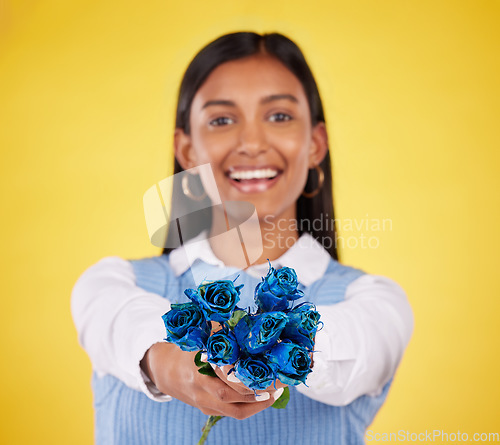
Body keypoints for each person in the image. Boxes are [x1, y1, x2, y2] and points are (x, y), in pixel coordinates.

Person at [71, 31, 414, 445]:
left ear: (315, 145)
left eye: (280, 116)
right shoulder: (111, 284)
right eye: (221, 120)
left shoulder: (376, 302)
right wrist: (171, 363)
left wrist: (240, 348)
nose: (251, 144)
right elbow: (123, 322)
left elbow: (352, 350)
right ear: (187, 151)